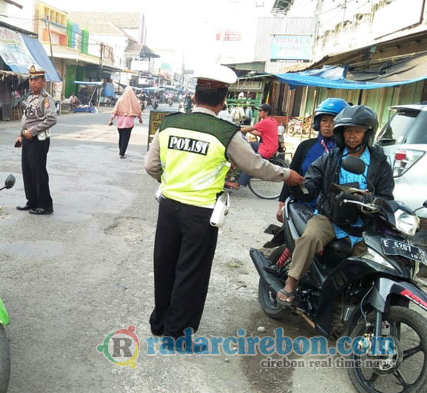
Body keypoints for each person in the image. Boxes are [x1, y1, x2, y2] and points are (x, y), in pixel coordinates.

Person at [144, 65, 304, 340]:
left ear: (194, 98)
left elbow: (151, 166)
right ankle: (177, 335)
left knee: (165, 265)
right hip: (201, 213)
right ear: (223, 101)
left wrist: (172, 182)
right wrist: (288, 175)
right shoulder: (225, 132)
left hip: (169, 207)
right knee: (191, 274)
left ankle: (159, 323)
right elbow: (255, 166)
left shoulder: (169, 124)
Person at [276, 105, 394, 305]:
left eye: (357, 131)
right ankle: (290, 283)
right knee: (310, 237)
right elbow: (313, 179)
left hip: (364, 224)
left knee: (375, 263)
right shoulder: (332, 157)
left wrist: (371, 200)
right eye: (348, 131)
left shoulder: (379, 162)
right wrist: (300, 185)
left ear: (367, 133)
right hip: (330, 217)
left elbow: (386, 196)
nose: (352, 136)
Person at [276, 98, 349, 222]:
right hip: (302, 206)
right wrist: (282, 203)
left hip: (334, 212)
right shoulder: (306, 146)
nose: (327, 124)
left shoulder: (346, 150)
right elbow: (291, 174)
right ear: (317, 122)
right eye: (324, 120)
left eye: (333, 121)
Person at [15, 65, 57, 215]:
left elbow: (51, 119)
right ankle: (32, 201)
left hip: (38, 140)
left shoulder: (46, 100)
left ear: (43, 81)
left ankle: (45, 205)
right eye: (31, 80)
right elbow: (27, 118)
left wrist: (32, 131)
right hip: (27, 139)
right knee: (27, 171)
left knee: (38, 172)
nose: (32, 83)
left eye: (36, 80)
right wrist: (21, 134)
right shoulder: (32, 97)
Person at [225, 103, 279, 190]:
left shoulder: (265, 121)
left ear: (266, 112)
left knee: (251, 164)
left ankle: (237, 184)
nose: (259, 113)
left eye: (260, 111)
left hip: (266, 149)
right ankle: (236, 163)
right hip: (267, 145)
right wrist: (249, 131)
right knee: (246, 145)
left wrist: (237, 130)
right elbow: (260, 133)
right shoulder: (272, 120)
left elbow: (251, 128)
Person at [108, 86, 143, 158]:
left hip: (120, 123)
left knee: (121, 137)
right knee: (125, 138)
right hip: (129, 123)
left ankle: (121, 151)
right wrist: (140, 119)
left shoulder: (120, 100)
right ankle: (122, 153)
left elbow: (114, 110)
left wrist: (111, 120)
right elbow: (138, 110)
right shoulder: (134, 101)